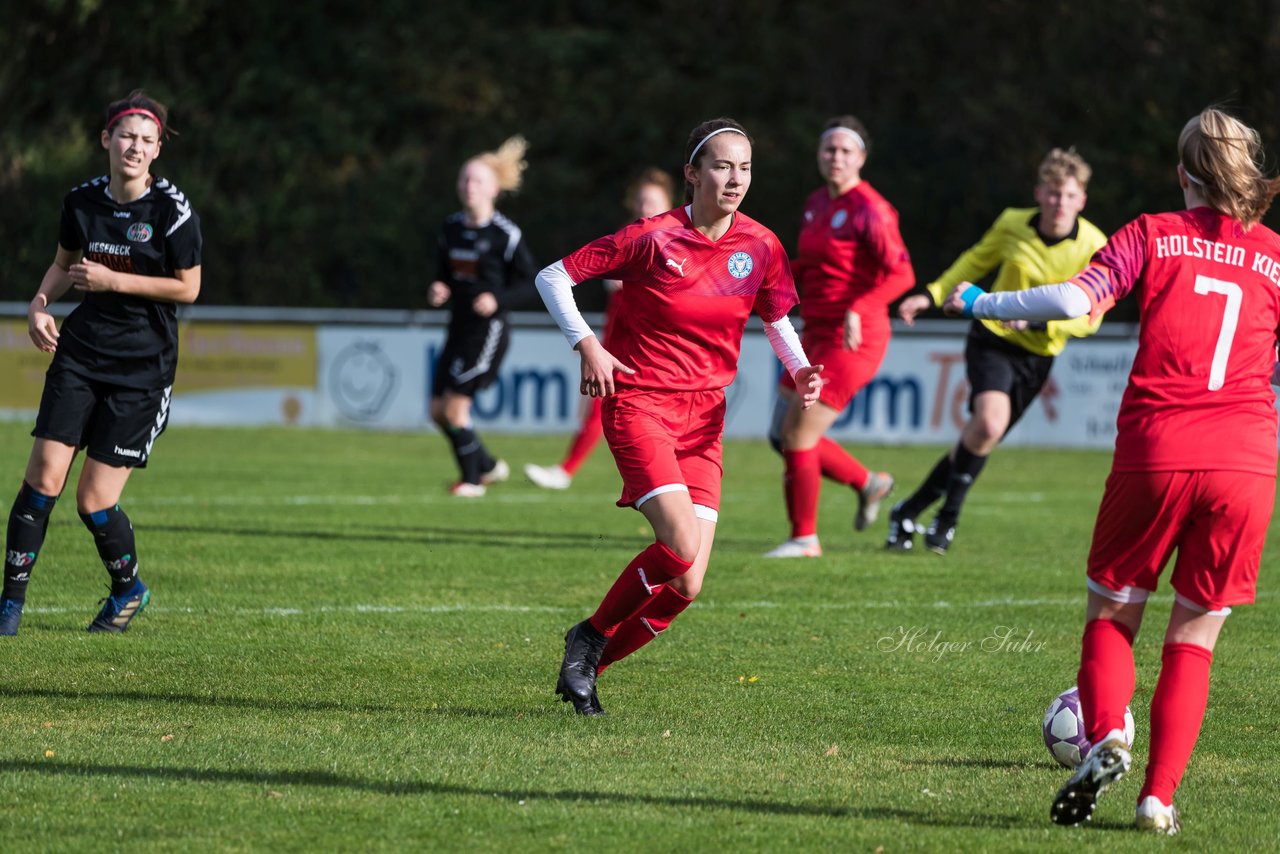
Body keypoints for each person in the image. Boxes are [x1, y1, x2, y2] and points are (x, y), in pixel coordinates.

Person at [944, 107, 1280, 835]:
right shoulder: (1276, 254)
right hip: (1248, 463)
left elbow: (1071, 299)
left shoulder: (1152, 233)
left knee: (1113, 614)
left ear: (1182, 173)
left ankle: (1106, 736)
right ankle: (1157, 799)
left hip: (1159, 449)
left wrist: (982, 301)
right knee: (1195, 637)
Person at [535, 118, 823, 715]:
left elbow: (774, 318)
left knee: (688, 584)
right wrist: (587, 342)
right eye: (721, 165)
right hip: (640, 404)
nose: (735, 178)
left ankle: (588, 669)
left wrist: (798, 369)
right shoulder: (651, 237)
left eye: (744, 167)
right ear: (692, 174)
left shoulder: (761, 246)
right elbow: (554, 276)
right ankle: (587, 636)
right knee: (680, 545)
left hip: (705, 420)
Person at [1, 90, 202, 636]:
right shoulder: (81, 202)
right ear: (106, 140)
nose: (134, 147)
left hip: (142, 370)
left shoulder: (172, 212)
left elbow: (188, 288)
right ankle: (8, 609)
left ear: (158, 149)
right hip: (81, 355)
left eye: (146, 139)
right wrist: (39, 305)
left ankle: (127, 590)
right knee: (42, 478)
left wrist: (116, 281)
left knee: (93, 502)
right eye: (126, 136)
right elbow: (64, 265)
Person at [888, 148, 1107, 554]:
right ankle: (946, 521)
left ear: (1082, 200)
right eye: (1054, 194)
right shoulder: (1012, 223)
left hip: (1039, 356)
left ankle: (907, 511)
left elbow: (1091, 316)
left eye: (1069, 196)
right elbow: (976, 260)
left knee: (978, 438)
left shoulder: (1094, 245)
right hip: (992, 339)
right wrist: (932, 295)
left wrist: (1038, 320)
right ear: (1040, 193)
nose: (1060, 203)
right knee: (988, 425)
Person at [764, 116, 915, 558]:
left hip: (853, 339)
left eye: (846, 151)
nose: (836, 157)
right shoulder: (816, 204)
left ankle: (804, 538)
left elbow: (902, 272)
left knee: (798, 434)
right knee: (780, 433)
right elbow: (810, 267)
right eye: (829, 149)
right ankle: (869, 483)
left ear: (862, 159)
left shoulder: (872, 208)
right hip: (814, 332)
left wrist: (859, 307)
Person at [524, 167, 677, 490]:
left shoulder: (674, 244)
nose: (644, 208)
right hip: (614, 341)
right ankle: (567, 470)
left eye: (651, 201)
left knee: (626, 413)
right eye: (640, 201)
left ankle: (569, 471)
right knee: (599, 408)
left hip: (646, 348)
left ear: (667, 203)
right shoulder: (627, 238)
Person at [428, 136, 538, 497]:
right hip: (457, 327)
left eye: (476, 180)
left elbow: (530, 281)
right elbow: (443, 272)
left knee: (455, 408)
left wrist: (497, 298)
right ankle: (487, 465)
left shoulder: (505, 234)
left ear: (494, 188)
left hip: (488, 332)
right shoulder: (451, 227)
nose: (468, 186)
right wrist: (438, 288)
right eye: (464, 179)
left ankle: (472, 481)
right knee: (437, 411)